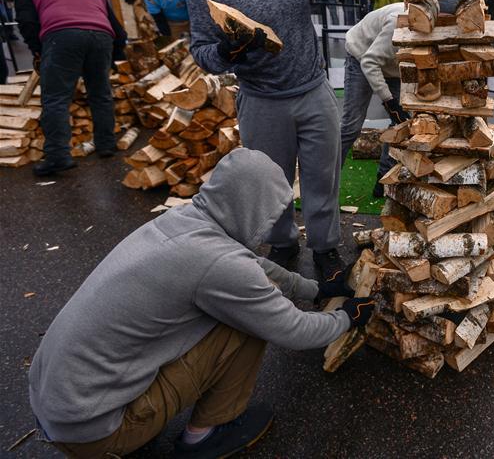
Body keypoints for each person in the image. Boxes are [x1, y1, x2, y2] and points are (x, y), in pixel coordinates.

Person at [28, 148, 374, 459]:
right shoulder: (221, 266)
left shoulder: (183, 221)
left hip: (59, 408)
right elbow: (293, 330)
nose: (270, 226)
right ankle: (204, 436)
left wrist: (315, 289)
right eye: (270, 215)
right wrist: (346, 317)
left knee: (236, 310)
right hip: (94, 434)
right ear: (252, 208)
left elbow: (252, 265)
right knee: (245, 325)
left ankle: (135, 416)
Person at [187, 0, 365, 278]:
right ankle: (283, 244)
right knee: (272, 182)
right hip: (262, 100)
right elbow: (200, 51)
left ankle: (325, 250)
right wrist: (228, 53)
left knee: (323, 178)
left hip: (313, 91)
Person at [17, 0, 127, 176]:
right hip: (102, 37)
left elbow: (27, 22)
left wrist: (38, 51)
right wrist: (115, 56)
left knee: (56, 98)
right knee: (100, 94)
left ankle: (58, 156)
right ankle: (106, 144)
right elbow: (119, 31)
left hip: (62, 35)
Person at [339, 2, 409, 197]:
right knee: (351, 126)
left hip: (392, 65)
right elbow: (370, 62)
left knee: (399, 123)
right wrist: (388, 100)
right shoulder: (398, 23)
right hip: (362, 55)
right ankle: (327, 181)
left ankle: (383, 180)